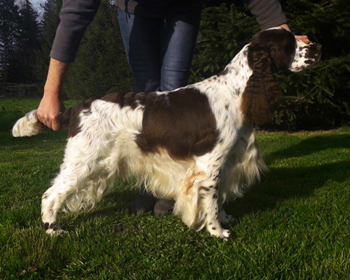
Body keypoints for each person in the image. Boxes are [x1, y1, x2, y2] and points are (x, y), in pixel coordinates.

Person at [37, 0, 310, 215]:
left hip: (183, 7)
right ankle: (149, 184)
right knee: (146, 98)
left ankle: (171, 192)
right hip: (135, 9)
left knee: (174, 94)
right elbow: (75, 12)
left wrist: (282, 33)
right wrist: (51, 91)